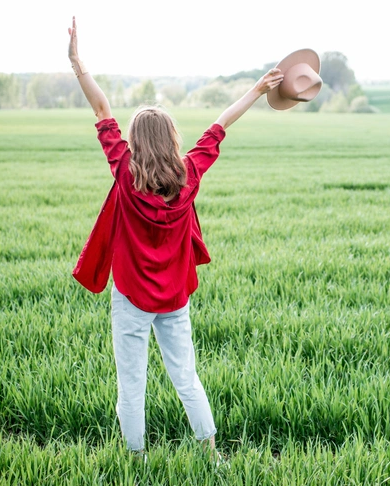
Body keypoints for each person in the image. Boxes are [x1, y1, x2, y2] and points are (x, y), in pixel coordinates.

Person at [67, 16, 283, 459]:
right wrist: (257, 92)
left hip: (131, 298)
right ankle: (211, 455)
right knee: (186, 376)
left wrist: (78, 65)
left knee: (132, 385)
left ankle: (137, 461)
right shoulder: (189, 173)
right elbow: (219, 126)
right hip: (175, 299)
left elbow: (102, 110)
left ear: (134, 141)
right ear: (170, 139)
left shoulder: (125, 171)